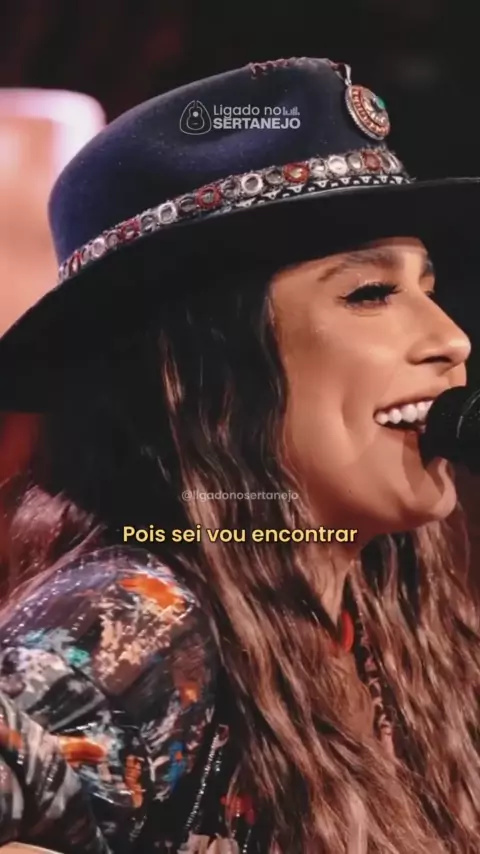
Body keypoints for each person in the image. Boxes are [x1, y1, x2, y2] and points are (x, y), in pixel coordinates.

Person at [0, 56, 479, 854]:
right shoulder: (130, 620)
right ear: (202, 374)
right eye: (370, 293)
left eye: (427, 289)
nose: (452, 339)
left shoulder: (389, 614)